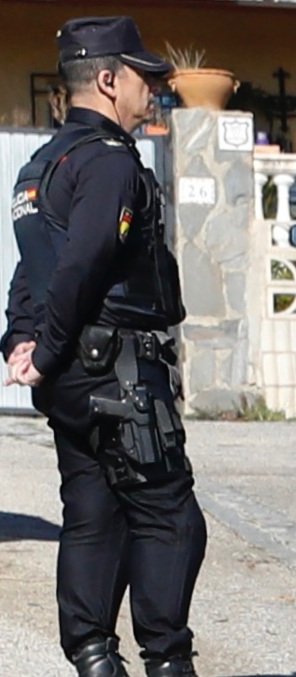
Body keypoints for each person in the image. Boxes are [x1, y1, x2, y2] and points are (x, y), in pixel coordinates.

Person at [2, 16, 206, 677]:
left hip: (75, 380)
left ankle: (93, 657)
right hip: (118, 373)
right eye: (145, 77)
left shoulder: (39, 170)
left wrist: (23, 340)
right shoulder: (110, 163)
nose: (155, 89)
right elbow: (82, 265)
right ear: (109, 80)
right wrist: (50, 346)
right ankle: (166, 660)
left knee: (93, 513)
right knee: (170, 517)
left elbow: (30, 271)